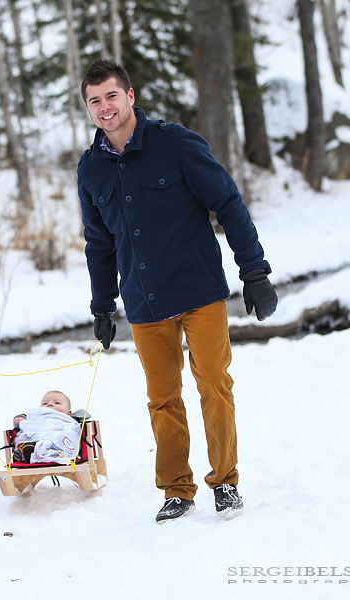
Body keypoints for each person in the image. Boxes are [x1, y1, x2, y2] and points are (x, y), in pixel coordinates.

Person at [77, 60, 278, 524]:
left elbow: (228, 203)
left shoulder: (176, 144)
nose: (105, 107)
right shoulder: (91, 170)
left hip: (198, 289)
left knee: (213, 383)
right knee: (162, 398)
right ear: (87, 108)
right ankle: (176, 490)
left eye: (111, 96)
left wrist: (255, 272)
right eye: (94, 101)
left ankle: (225, 482)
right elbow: (99, 243)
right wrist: (102, 306)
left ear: (130, 95)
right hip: (144, 301)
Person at [10, 391, 90, 464]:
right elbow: (30, 419)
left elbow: (77, 425)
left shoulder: (68, 419)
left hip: (57, 435)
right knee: (28, 436)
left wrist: (78, 419)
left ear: (69, 413)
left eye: (57, 403)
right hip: (38, 433)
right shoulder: (37, 414)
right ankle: (24, 452)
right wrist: (21, 419)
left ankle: (52, 452)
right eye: (45, 403)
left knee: (65, 436)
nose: (50, 404)